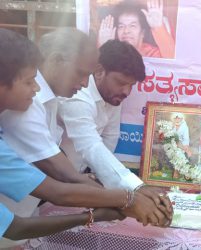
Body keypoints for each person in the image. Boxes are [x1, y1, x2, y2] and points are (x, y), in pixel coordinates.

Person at [0, 28, 170, 243]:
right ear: (57, 61)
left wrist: (129, 196)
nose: (83, 83)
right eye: (81, 73)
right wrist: (129, 198)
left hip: (23, 215)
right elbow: (62, 182)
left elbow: (75, 172)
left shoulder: (48, 99)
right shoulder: (28, 106)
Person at [58, 39, 145, 190]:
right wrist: (136, 188)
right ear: (99, 72)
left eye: (131, 85)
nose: (127, 92)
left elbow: (109, 139)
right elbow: (90, 146)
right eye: (121, 82)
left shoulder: (112, 96)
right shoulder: (78, 96)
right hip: (43, 187)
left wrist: (98, 179)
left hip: (75, 182)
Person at [98, 0, 175, 58]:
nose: (126, 31)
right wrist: (104, 46)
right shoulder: (112, 51)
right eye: (121, 26)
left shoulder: (151, 54)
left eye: (132, 26)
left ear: (143, 33)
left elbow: (173, 61)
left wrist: (158, 28)